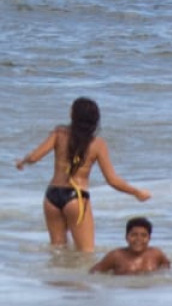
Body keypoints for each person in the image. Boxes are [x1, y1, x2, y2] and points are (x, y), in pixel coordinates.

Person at [16, 97, 151, 251]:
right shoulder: (97, 144)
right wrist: (136, 192)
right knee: (86, 253)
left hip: (52, 195)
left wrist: (22, 161)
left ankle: (58, 269)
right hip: (76, 198)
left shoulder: (59, 133)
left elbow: (34, 157)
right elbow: (112, 180)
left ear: (73, 115)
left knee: (57, 250)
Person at [90, 216, 171, 275]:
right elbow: (94, 272)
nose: (138, 239)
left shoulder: (156, 254)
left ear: (149, 238)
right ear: (126, 237)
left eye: (143, 235)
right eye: (134, 235)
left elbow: (167, 269)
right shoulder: (116, 256)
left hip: (149, 291)